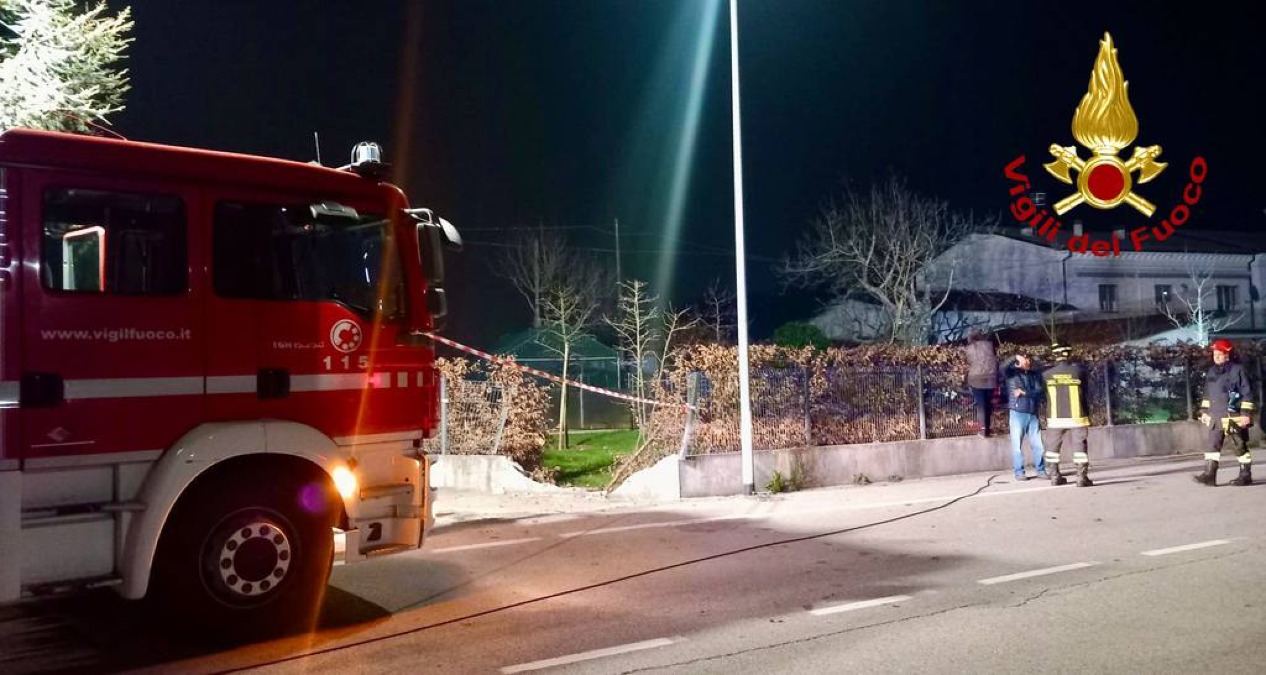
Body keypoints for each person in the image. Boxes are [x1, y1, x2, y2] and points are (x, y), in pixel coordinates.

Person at [1193, 339, 1255, 486]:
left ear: (1227, 354)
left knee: (1239, 446)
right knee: (1212, 446)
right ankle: (1209, 475)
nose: (1216, 356)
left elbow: (1246, 392)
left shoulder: (1237, 370)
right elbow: (1208, 394)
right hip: (1215, 416)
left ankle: (1245, 475)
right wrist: (1204, 412)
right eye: (1215, 354)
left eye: (1219, 354)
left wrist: (1245, 414)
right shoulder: (1212, 371)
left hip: (1233, 415)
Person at [1042, 343, 1092, 487]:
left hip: (1055, 417)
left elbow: (1045, 395)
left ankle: (1055, 476)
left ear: (1054, 356)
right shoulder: (1079, 372)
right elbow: (1086, 393)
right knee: (1079, 446)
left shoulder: (1046, 375)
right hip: (1077, 416)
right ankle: (1081, 477)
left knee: (1052, 447)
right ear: (1069, 355)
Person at [1004, 349, 1047, 481]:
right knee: (1017, 445)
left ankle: (1041, 470)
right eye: (1025, 359)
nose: (1027, 361)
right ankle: (1019, 472)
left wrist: (1024, 392)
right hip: (1017, 412)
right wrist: (1016, 357)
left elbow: (1039, 392)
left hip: (1032, 412)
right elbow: (1002, 367)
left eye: (1028, 359)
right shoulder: (1011, 373)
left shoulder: (1034, 374)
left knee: (1038, 445)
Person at [964, 329, 999, 437]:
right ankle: (987, 429)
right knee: (987, 404)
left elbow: (968, 361)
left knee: (981, 405)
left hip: (976, 379)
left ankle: (983, 431)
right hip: (991, 378)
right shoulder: (990, 345)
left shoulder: (969, 348)